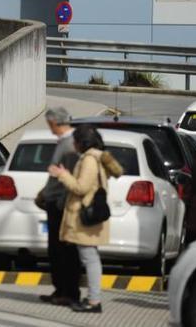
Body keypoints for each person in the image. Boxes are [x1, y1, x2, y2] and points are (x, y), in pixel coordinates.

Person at [48, 125, 124, 313]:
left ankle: (94, 301)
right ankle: (92, 299)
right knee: (90, 257)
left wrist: (62, 175)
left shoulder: (89, 159)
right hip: (86, 216)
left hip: (83, 218)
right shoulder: (95, 156)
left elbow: (81, 187)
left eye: (75, 141)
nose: (73, 144)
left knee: (89, 258)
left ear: (83, 142)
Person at [37, 108, 81, 307]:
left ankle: (68, 291)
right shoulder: (64, 143)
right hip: (54, 201)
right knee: (56, 249)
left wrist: (56, 199)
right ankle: (60, 289)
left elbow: (66, 176)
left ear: (55, 122)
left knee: (64, 250)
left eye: (50, 124)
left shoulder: (69, 145)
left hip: (61, 204)